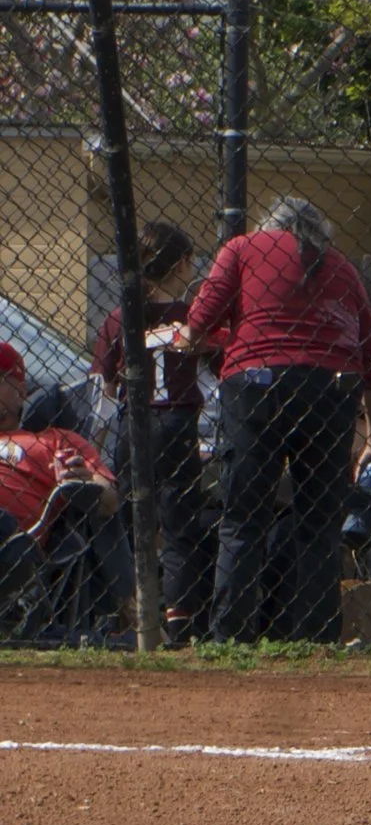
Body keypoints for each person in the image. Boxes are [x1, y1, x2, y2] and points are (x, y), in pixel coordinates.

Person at [181, 196, 371, 644]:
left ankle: (231, 637)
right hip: (330, 390)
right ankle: (316, 640)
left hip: (256, 387)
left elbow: (198, 324)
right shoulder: (341, 267)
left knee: (243, 517)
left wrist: (193, 340)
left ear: (270, 225)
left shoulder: (243, 249)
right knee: (319, 522)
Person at [92, 221, 216, 640]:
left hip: (134, 422)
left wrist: (99, 442)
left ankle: (124, 613)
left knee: (128, 522)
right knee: (180, 527)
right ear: (180, 265)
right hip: (177, 422)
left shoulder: (120, 318)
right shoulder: (190, 319)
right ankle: (179, 622)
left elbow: (103, 388)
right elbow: (216, 364)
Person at [0, 340, 130, 628]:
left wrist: (84, 480)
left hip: (13, 540)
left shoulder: (54, 439)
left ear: (21, 390)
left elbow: (109, 499)